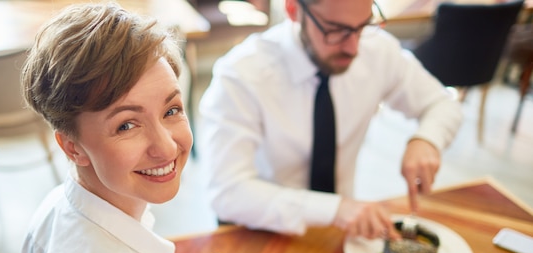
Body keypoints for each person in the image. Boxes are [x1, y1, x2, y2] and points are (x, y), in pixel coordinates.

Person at [9, 3, 303, 253]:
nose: (166, 146)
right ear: (71, 145)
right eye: (126, 125)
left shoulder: (58, 204)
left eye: (171, 110)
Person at [197, 0, 463, 238]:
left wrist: (426, 139)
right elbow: (227, 192)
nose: (354, 47)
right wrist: (335, 209)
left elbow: (442, 103)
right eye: (336, 30)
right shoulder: (241, 75)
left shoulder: (377, 50)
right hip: (261, 232)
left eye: (362, 25)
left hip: (339, 232)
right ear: (293, 9)